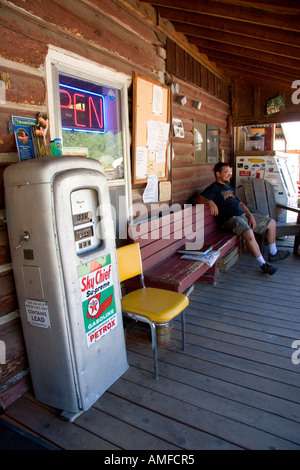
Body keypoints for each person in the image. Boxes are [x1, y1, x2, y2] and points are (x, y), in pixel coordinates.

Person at [195, 162, 291, 275]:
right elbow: (197, 199)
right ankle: (263, 265)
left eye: (230, 172)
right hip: (230, 219)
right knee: (249, 233)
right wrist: (209, 201)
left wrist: (250, 216)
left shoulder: (229, 188)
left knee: (271, 223)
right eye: (226, 172)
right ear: (218, 174)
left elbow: (240, 203)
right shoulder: (213, 188)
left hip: (243, 216)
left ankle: (273, 253)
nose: (229, 175)